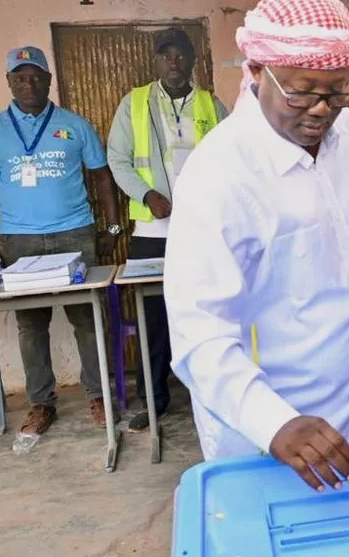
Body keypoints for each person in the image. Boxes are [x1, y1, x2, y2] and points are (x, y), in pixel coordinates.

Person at [164, 0, 349, 488]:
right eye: (301, 92)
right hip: (272, 429)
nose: (321, 110)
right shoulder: (220, 173)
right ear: (256, 73)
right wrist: (274, 421)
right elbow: (199, 333)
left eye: (338, 90)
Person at [0, 46, 121, 437]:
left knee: (88, 320)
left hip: (75, 233)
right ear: (9, 82)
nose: (29, 84)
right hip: (18, 241)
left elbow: (103, 178)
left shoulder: (75, 125)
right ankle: (41, 403)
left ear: (49, 80)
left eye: (36, 76)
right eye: (20, 77)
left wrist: (111, 228)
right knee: (31, 326)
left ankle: (99, 395)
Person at [107, 28, 229, 432]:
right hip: (152, 231)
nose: (173, 62)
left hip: (205, 230)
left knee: (210, 312)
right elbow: (118, 160)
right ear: (155, 62)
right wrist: (146, 195)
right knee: (153, 319)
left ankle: (212, 394)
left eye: (180, 55)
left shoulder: (212, 105)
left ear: (193, 60)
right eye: (165, 56)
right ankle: (154, 399)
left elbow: (235, 158)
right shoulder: (135, 103)